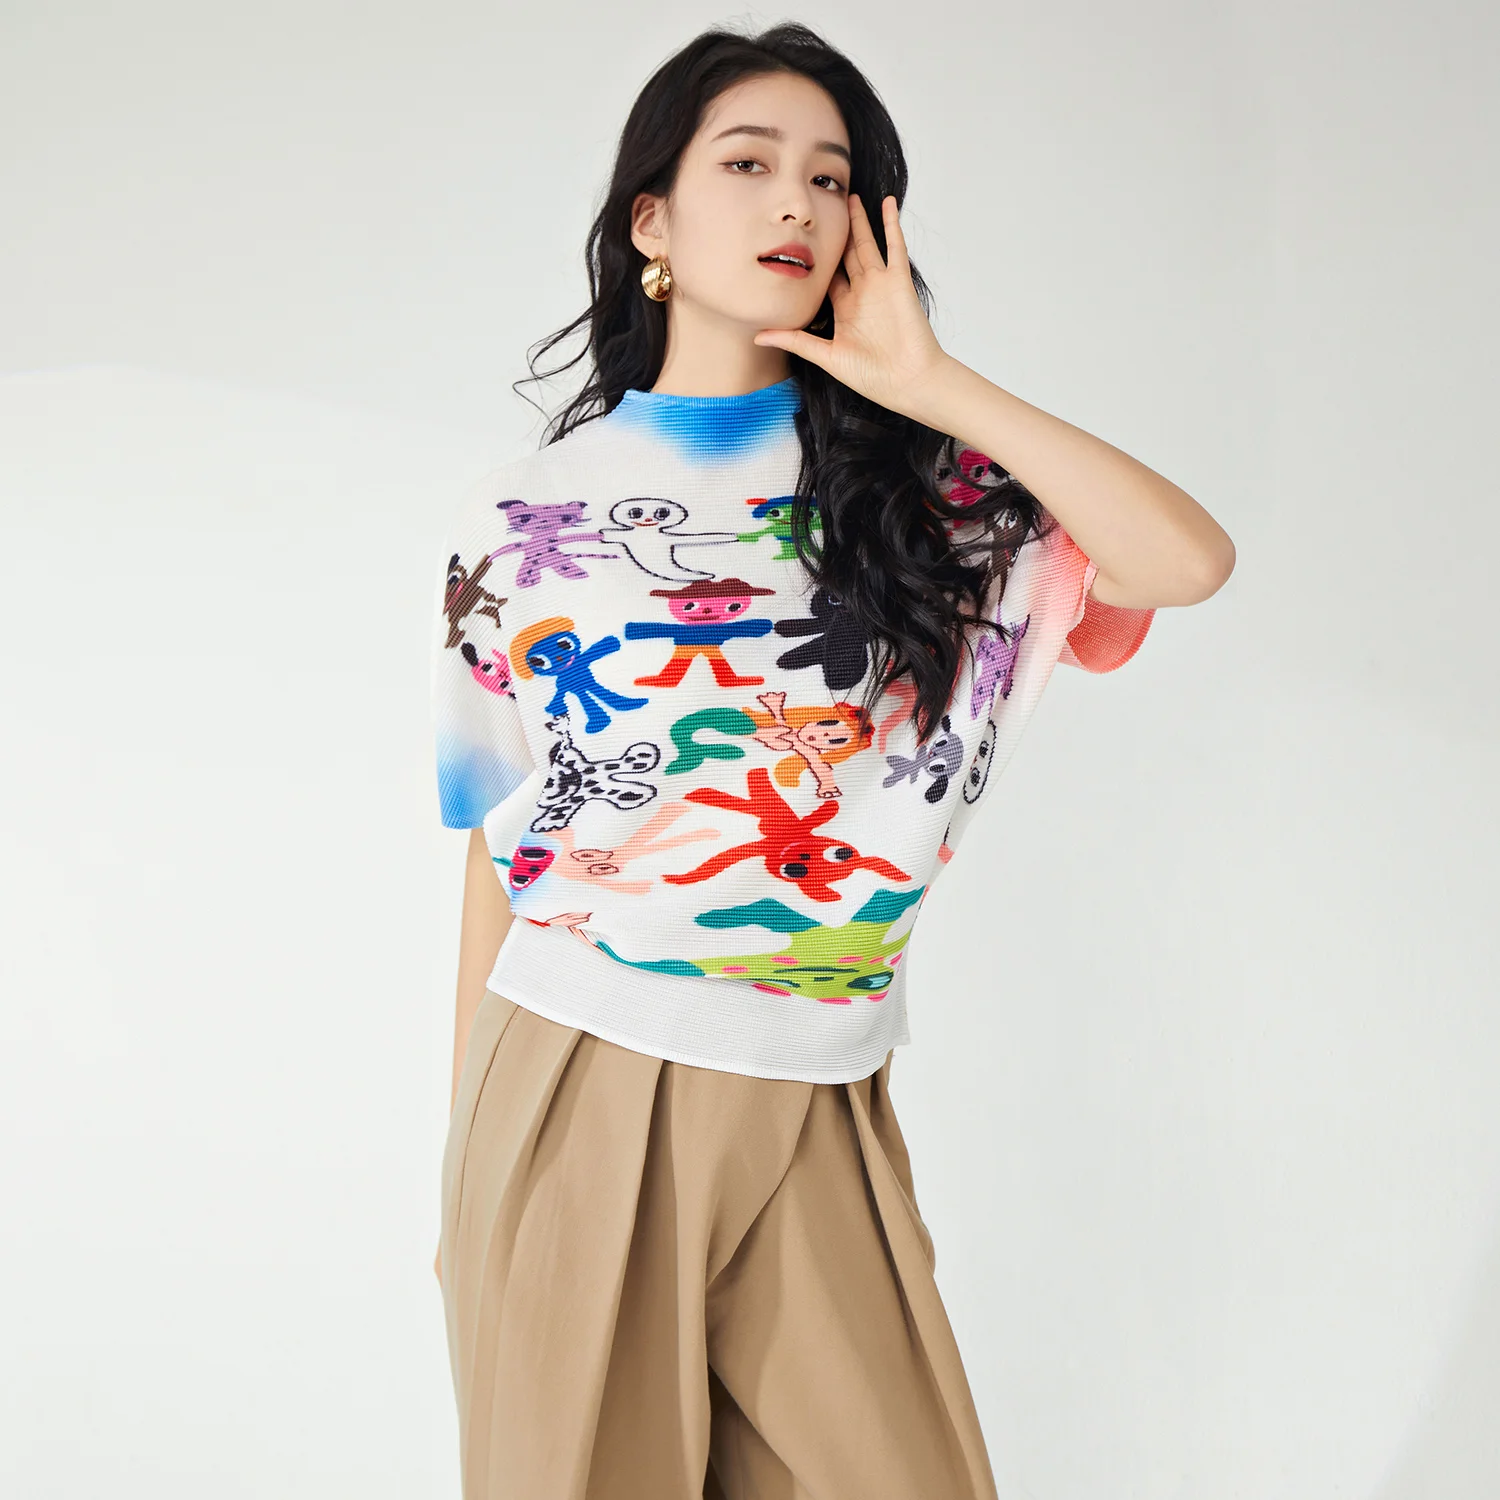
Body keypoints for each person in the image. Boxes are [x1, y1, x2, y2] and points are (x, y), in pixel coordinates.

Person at [427, 20, 1233, 1500]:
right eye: (748, 165)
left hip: (826, 1088)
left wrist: (933, 383)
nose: (795, 202)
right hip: (575, 1079)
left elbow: (1184, 561)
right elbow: (496, 838)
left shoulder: (938, 503)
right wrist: (463, 1156)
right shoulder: (526, 514)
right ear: (652, 221)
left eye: (830, 177)